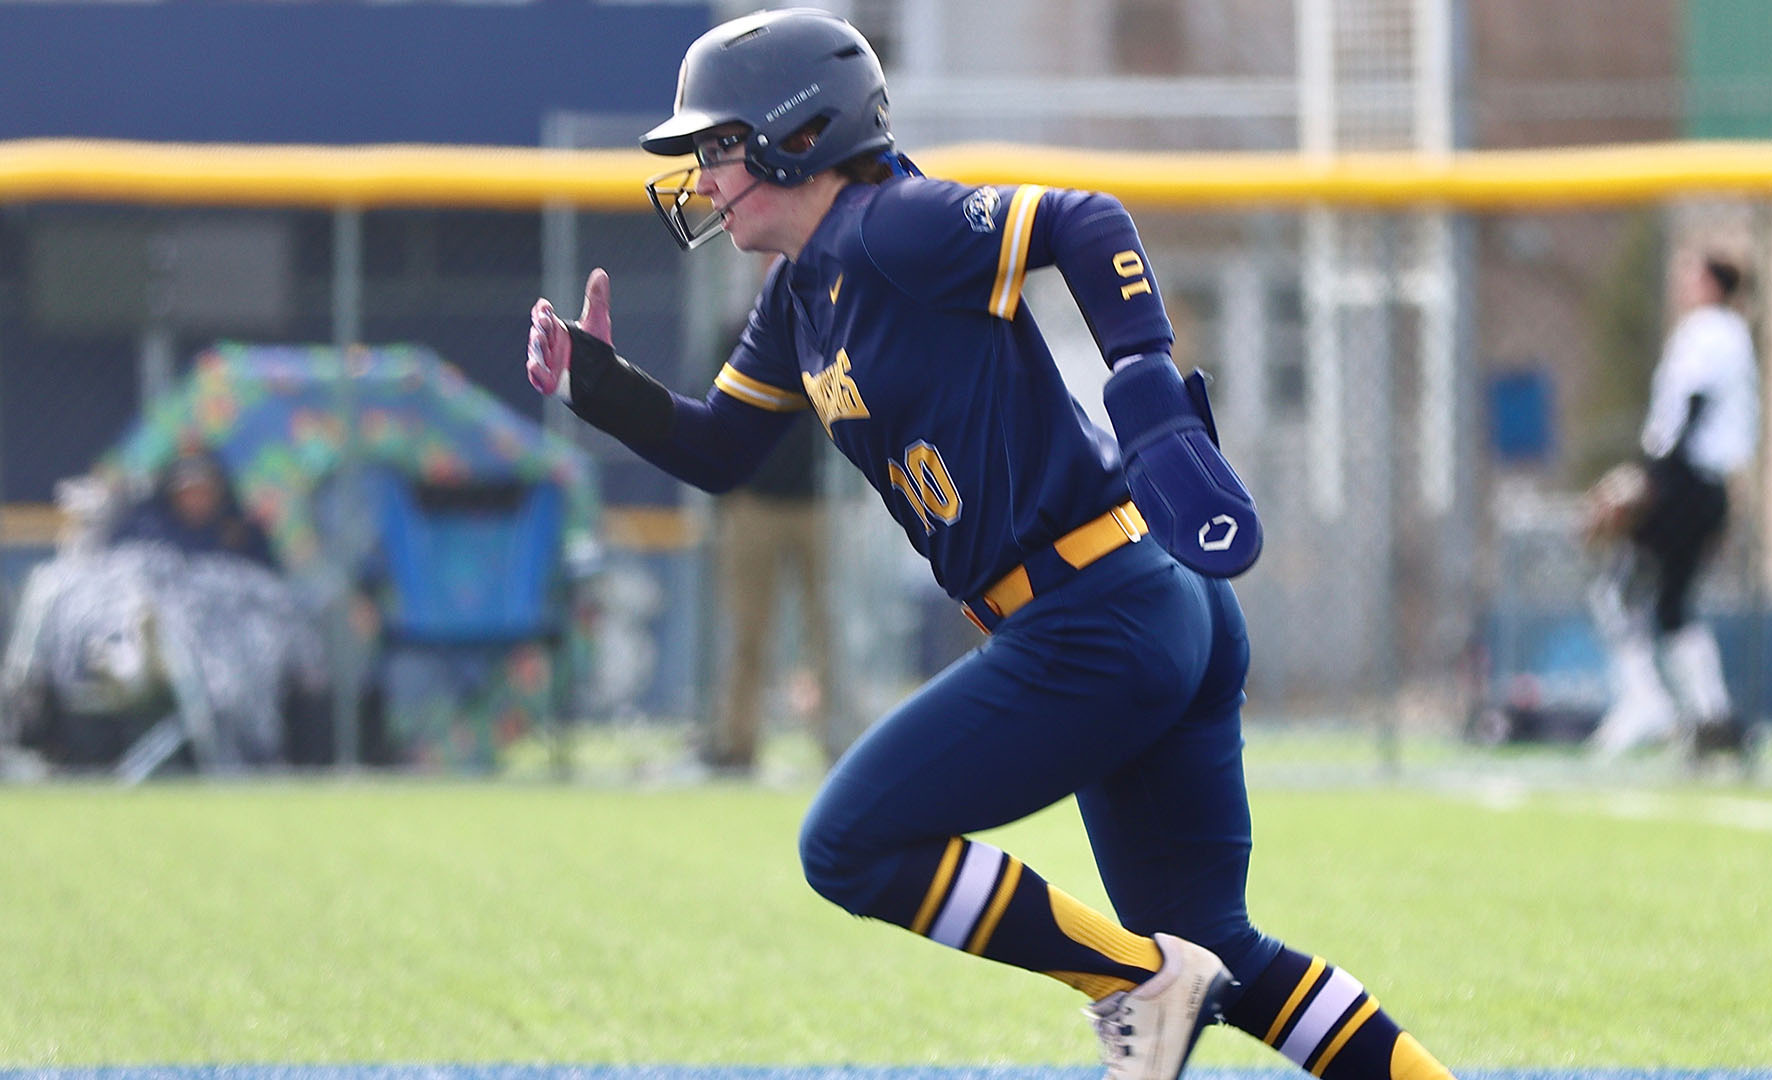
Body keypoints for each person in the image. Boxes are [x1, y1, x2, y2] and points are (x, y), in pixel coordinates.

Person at [526, 11, 1453, 1080]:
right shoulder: (797, 296)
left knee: (849, 844)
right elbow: (725, 447)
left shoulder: (885, 226)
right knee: (1221, 954)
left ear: (797, 133)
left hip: (1094, 609)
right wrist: (605, 390)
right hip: (1138, 603)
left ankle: (1139, 985)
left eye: (721, 144)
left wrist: (1148, 395)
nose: (703, 172)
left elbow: (1086, 220)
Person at [1584, 249, 1760, 764]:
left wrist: (1650, 479)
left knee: (1615, 591)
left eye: (1690, 274)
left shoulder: (1707, 330)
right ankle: (1712, 715)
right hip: (1705, 484)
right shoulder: (1729, 333)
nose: (1681, 282)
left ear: (1710, 283)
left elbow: (1691, 408)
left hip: (1682, 480)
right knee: (1672, 605)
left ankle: (1647, 702)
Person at [708, 407, 847, 775]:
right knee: (747, 630)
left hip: (818, 499)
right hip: (752, 498)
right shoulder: (737, 345)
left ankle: (837, 737)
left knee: (826, 629)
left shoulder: (825, 347)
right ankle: (738, 742)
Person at [110, 450, 279, 570]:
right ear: (173, 496)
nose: (196, 500)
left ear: (219, 495)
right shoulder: (146, 526)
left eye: (204, 492)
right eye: (188, 492)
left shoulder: (242, 537)